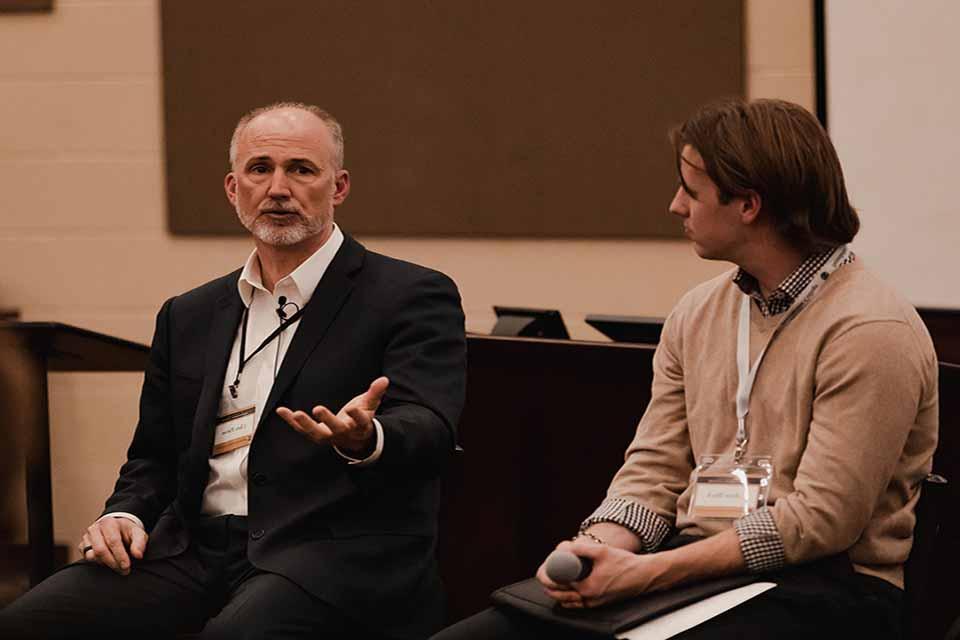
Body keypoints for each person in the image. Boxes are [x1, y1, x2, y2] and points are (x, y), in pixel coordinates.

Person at [433, 98, 938, 639]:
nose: (675, 206)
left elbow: (822, 520)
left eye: (690, 191)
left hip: (826, 588)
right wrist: (598, 551)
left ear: (747, 204)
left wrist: (648, 574)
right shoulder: (698, 312)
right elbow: (654, 470)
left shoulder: (870, 329)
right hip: (692, 568)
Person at [0, 101, 467, 639]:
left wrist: (368, 437)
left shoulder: (409, 294)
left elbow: (430, 424)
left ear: (338, 188)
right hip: (191, 548)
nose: (278, 188)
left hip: (325, 551)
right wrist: (123, 514)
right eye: (260, 168)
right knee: (26, 623)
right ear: (232, 188)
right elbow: (152, 455)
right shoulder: (189, 313)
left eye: (301, 169)